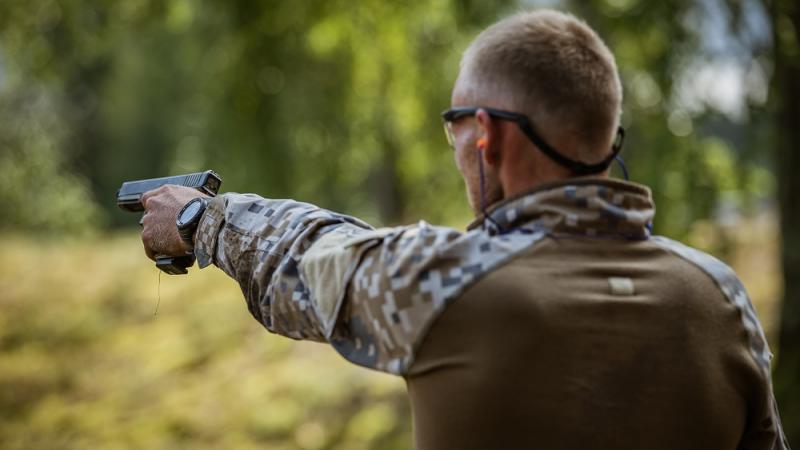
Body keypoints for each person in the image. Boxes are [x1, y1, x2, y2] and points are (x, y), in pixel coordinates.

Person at [140, 9, 789, 450]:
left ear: (488, 135)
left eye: (453, 126)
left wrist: (199, 218)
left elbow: (304, 253)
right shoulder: (720, 297)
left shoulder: (447, 282)